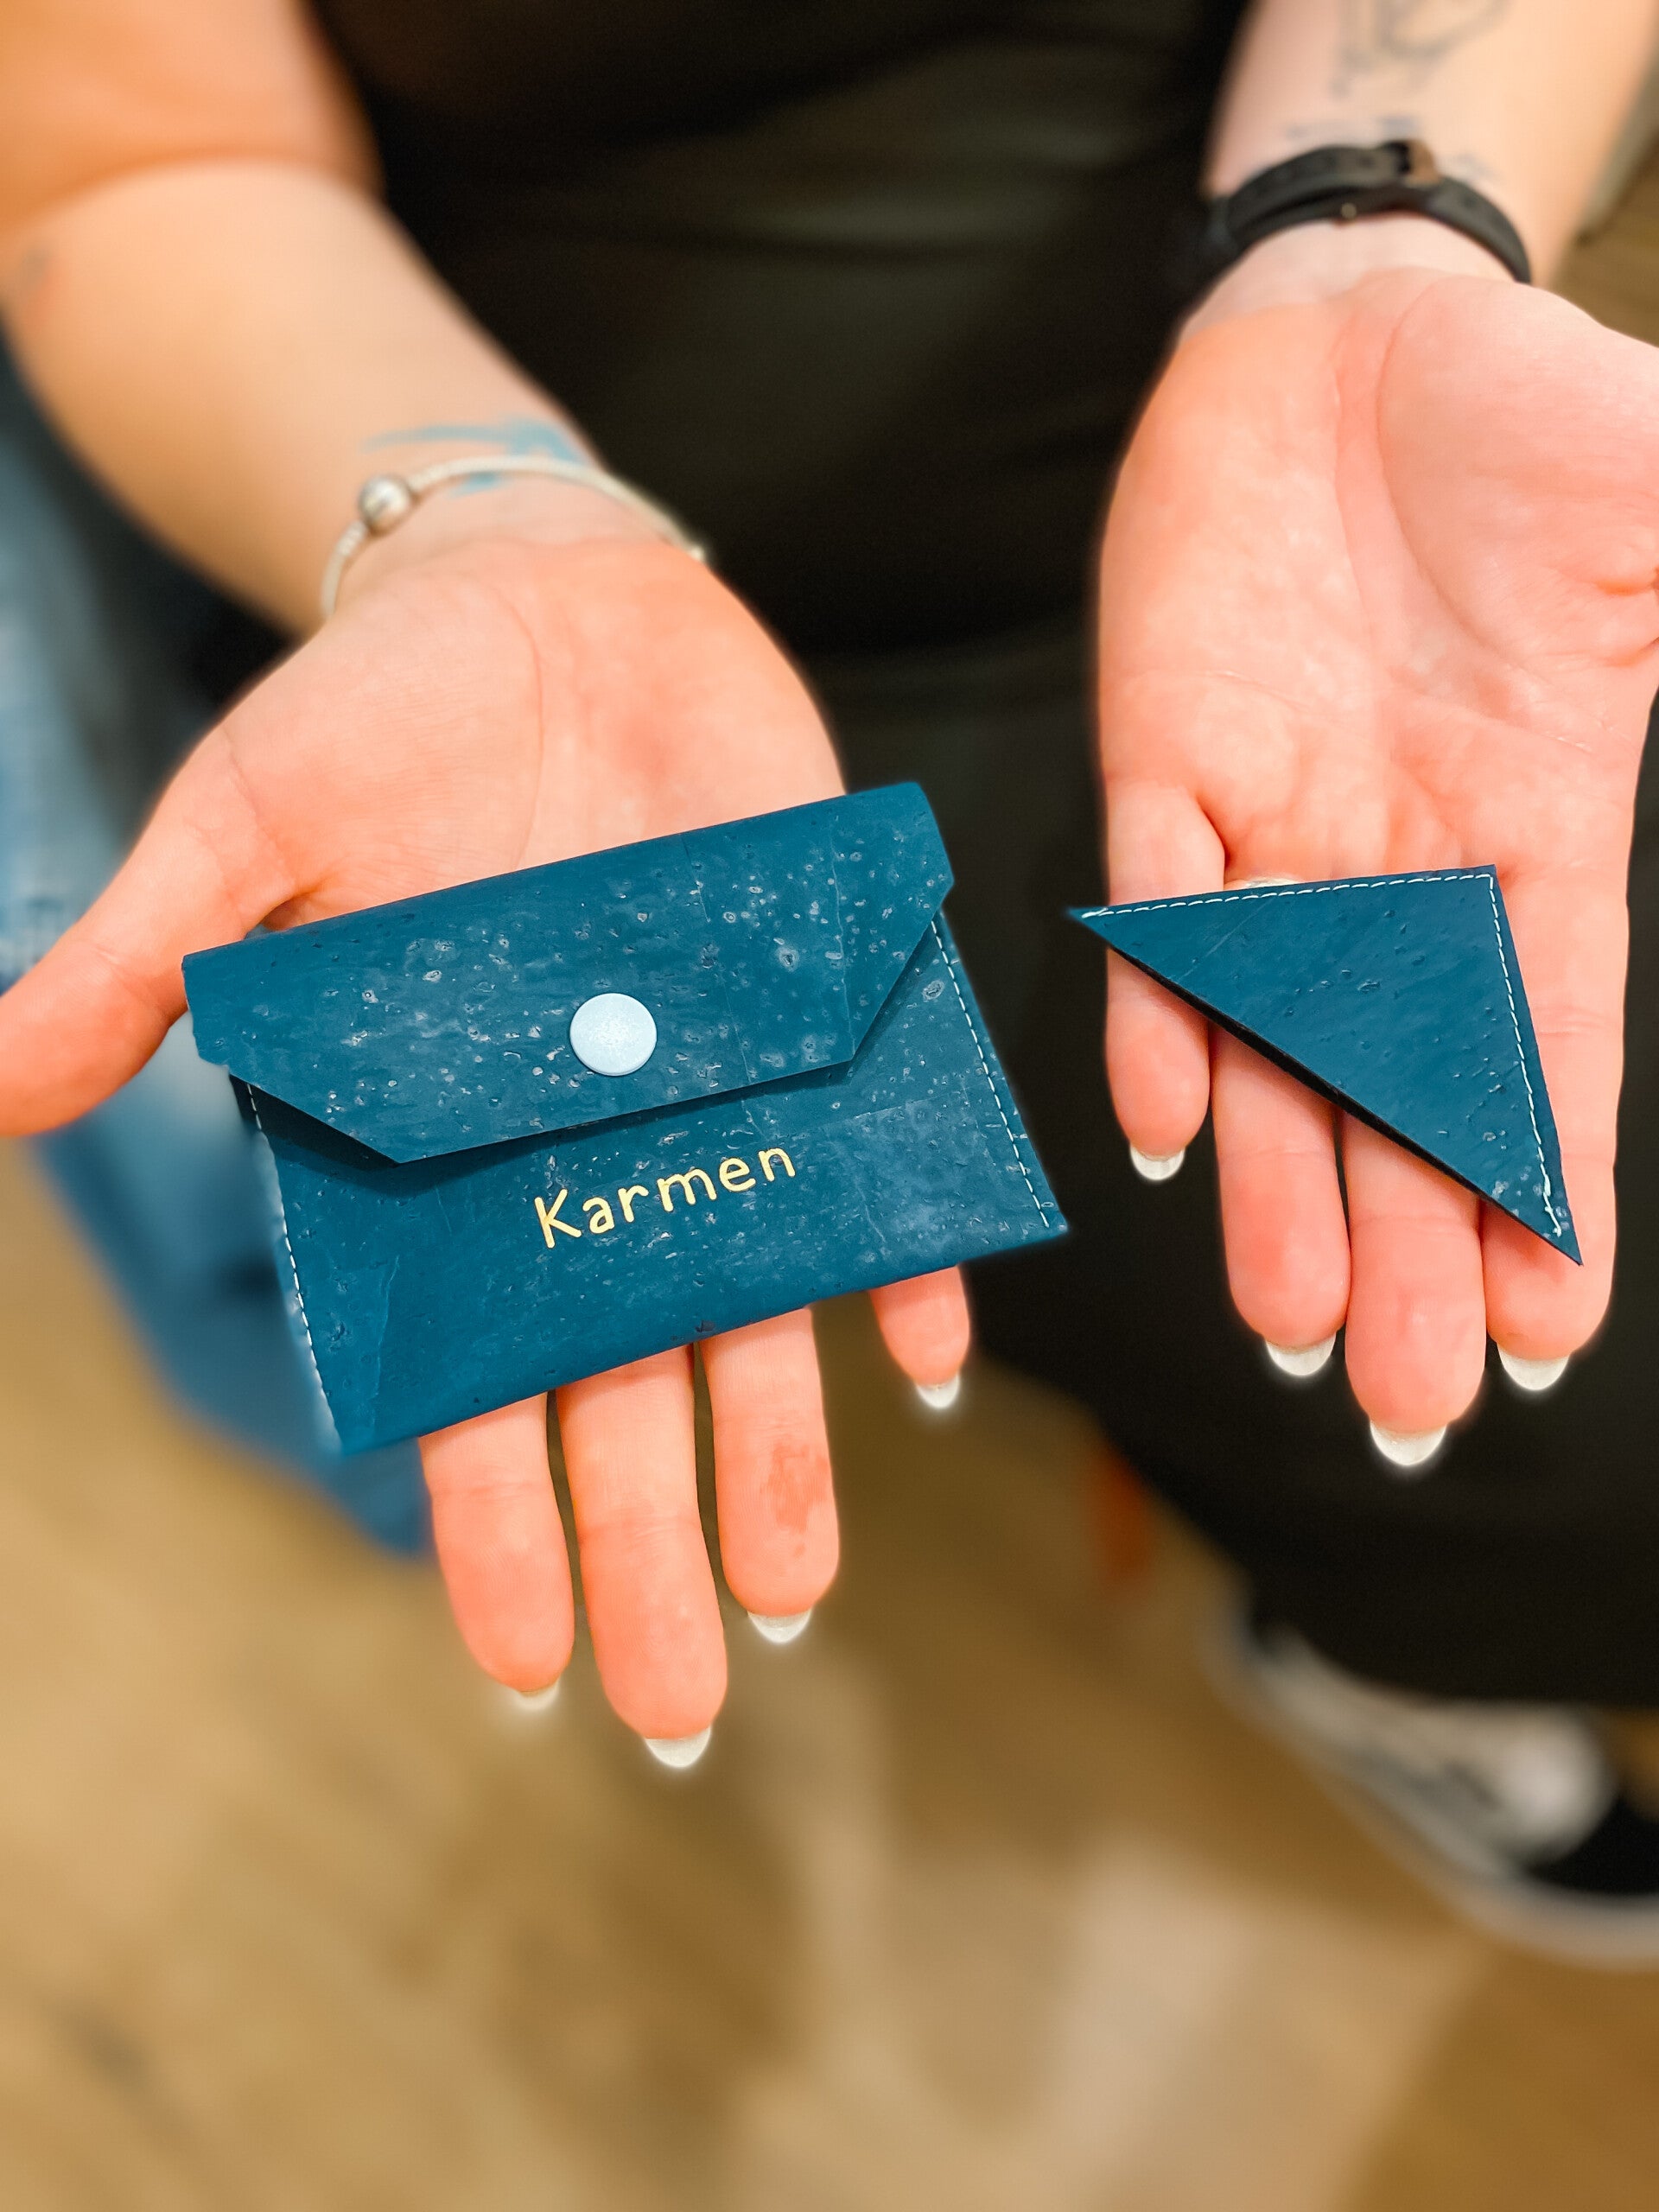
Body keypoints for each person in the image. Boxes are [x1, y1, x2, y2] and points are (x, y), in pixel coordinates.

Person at [4, 0, 1659, 1951]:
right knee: (1501, 1415)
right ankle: (1383, 1647)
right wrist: (466, 521)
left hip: (1365, 501)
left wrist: (1365, 229)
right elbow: (131, 157)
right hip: (667, 680)